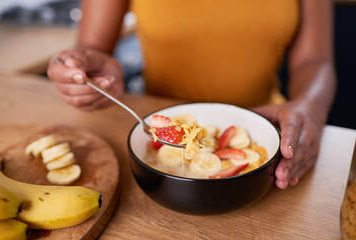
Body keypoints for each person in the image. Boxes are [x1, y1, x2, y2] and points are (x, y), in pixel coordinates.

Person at [47, 0, 336, 189]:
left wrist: (310, 105)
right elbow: (92, 47)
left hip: (269, 129)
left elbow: (315, 61)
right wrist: (83, 69)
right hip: (156, 137)